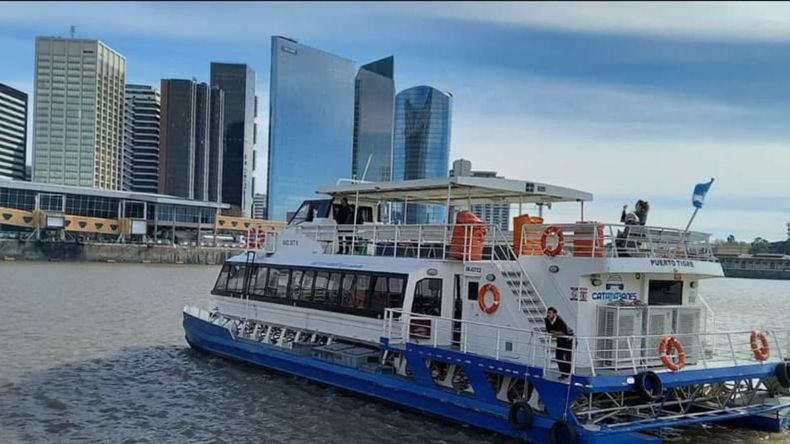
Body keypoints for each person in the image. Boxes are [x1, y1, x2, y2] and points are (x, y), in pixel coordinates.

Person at [545, 307, 574, 379]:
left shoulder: (559, 320)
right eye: (547, 313)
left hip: (569, 340)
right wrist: (557, 333)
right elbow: (549, 330)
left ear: (555, 314)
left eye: (550, 313)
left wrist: (556, 333)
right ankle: (563, 373)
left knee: (568, 358)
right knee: (558, 357)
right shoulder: (546, 320)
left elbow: (565, 332)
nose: (548, 314)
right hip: (560, 340)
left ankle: (567, 375)